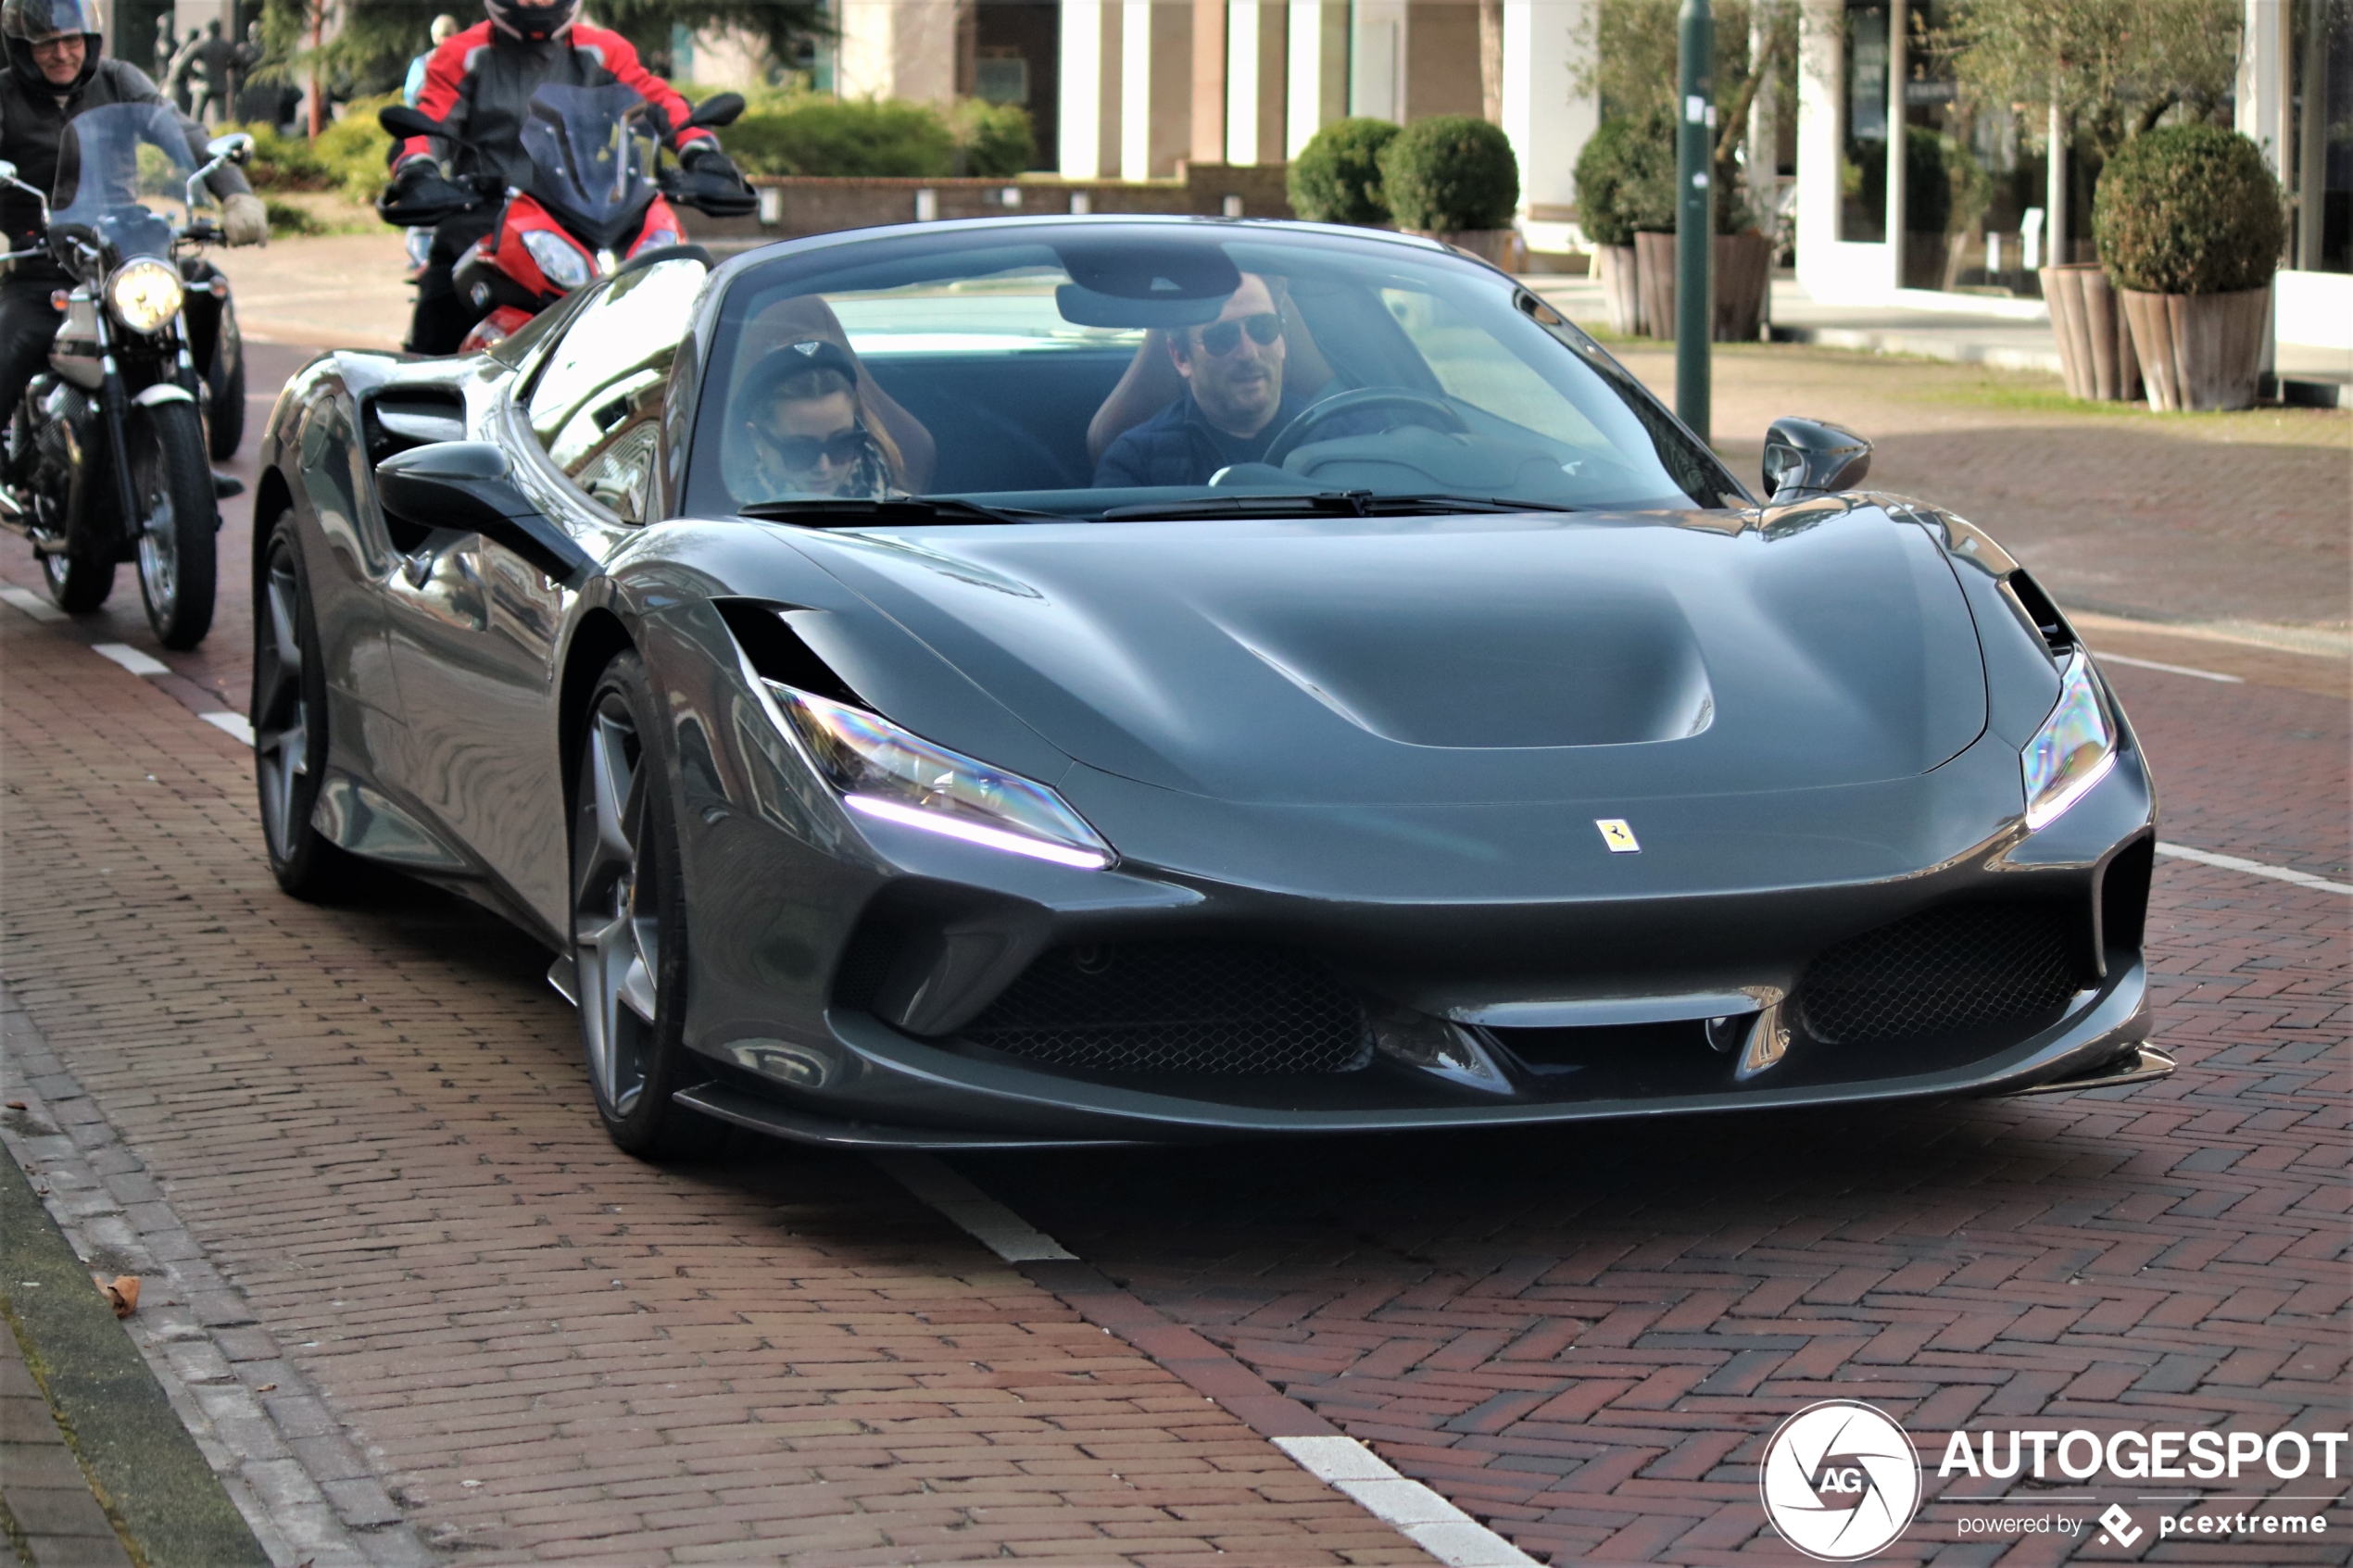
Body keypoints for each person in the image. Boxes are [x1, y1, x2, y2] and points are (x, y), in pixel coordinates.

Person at [0, 0, 266, 482]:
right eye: (46, 44)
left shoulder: (118, 80)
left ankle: (189, 455)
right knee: (14, 339)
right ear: (22, 48)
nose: (62, 53)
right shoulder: (4, 96)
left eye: (72, 41)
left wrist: (235, 195)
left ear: (90, 40)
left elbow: (179, 129)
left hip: (121, 249)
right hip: (40, 256)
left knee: (204, 289)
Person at [391, 0, 746, 354]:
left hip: (591, 222)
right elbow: (428, 122)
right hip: (486, 224)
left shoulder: (605, 50)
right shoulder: (463, 53)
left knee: (691, 306)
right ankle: (416, 401)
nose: (536, 2)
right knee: (436, 318)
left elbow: (660, 101)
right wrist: (417, 169)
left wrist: (701, 152)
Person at [1092, 272, 1309, 488]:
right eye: (1221, 337)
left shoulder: (1335, 437)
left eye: (1263, 328)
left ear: (1281, 341)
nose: (1249, 353)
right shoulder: (1136, 463)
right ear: (1181, 357)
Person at [727, 340, 906, 501]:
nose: (823, 467)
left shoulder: (909, 518)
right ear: (757, 438)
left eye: (841, 445)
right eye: (801, 451)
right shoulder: (728, 523)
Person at [401, 14, 457, 107]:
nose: (447, 40)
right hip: (430, 114)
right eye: (445, 35)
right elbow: (411, 97)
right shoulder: (421, 64)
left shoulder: (464, 60)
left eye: (449, 35)